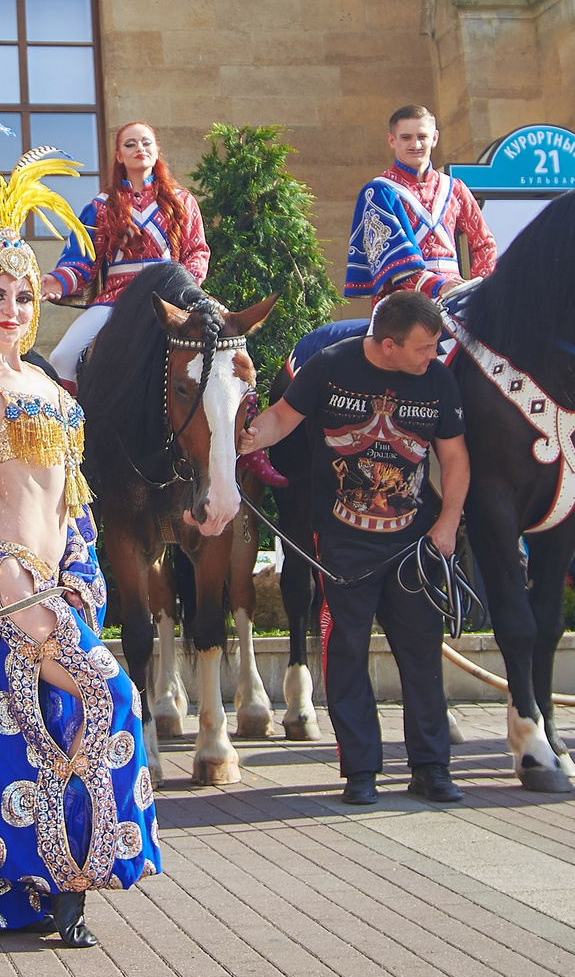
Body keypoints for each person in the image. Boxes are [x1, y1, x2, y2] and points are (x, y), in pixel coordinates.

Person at [0, 62, 160, 942]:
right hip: (7, 581)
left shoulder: (55, 391)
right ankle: (52, 882)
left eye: (25, 293)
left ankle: (64, 887)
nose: (13, 307)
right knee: (87, 708)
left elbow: (76, 503)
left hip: (61, 577)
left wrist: (82, 573)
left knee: (55, 723)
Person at [236, 288, 469, 807]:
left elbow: (454, 459)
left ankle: (431, 768)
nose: (433, 354)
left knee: (422, 654)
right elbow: (280, 418)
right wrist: (249, 437)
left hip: (415, 542)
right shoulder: (330, 366)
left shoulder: (439, 381)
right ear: (388, 345)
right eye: (423, 346)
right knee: (345, 654)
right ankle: (360, 770)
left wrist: (448, 523)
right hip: (342, 541)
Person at [43, 122, 209, 387]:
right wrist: (57, 281)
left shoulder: (182, 202)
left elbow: (197, 252)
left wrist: (183, 290)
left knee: (223, 344)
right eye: (130, 144)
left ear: (157, 151)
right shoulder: (100, 207)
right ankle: (73, 425)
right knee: (62, 356)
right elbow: (82, 259)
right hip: (115, 301)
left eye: (146, 143)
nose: (139, 148)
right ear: (119, 156)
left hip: (170, 300)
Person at [344, 105, 497, 304]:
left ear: (434, 138)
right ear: (392, 141)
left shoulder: (455, 188)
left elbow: (484, 243)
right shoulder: (380, 191)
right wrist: (439, 286)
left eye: (422, 137)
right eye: (406, 137)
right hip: (403, 300)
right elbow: (395, 261)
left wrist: (478, 290)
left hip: (455, 294)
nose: (415, 144)